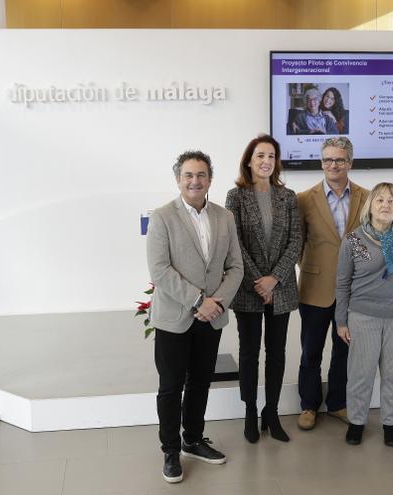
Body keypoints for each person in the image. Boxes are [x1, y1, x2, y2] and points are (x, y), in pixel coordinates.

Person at [146, 150, 243, 483]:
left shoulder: (224, 217)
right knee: (171, 387)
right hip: (175, 316)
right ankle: (171, 451)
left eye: (201, 175)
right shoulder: (161, 217)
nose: (195, 181)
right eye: (188, 175)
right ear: (178, 179)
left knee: (200, 381)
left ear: (210, 179)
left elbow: (236, 266)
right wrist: (198, 301)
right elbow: (160, 270)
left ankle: (193, 440)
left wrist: (215, 303)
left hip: (210, 317)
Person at [225, 135, 301, 444]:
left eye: (271, 155)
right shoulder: (236, 196)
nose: (266, 161)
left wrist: (275, 279)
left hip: (280, 288)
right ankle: (250, 411)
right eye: (260, 156)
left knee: (277, 353)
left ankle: (271, 411)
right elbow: (234, 244)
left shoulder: (289, 196)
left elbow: (296, 240)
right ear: (249, 161)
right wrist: (259, 280)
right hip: (247, 288)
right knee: (248, 354)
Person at [296, 137, 370, 430]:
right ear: (321, 162)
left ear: (350, 162)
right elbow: (297, 243)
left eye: (339, 160)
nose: (333, 165)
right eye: (328, 159)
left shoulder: (367, 197)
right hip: (315, 288)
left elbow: (372, 239)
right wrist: (314, 268)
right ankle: (308, 405)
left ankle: (338, 402)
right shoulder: (304, 199)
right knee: (310, 351)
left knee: (345, 351)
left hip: (354, 291)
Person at [335, 182, 393, 447]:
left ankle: (390, 422)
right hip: (363, 316)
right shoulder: (355, 240)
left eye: (391, 201)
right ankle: (357, 422)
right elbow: (343, 283)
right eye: (379, 200)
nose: (385, 205)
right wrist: (341, 321)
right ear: (370, 206)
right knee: (361, 373)